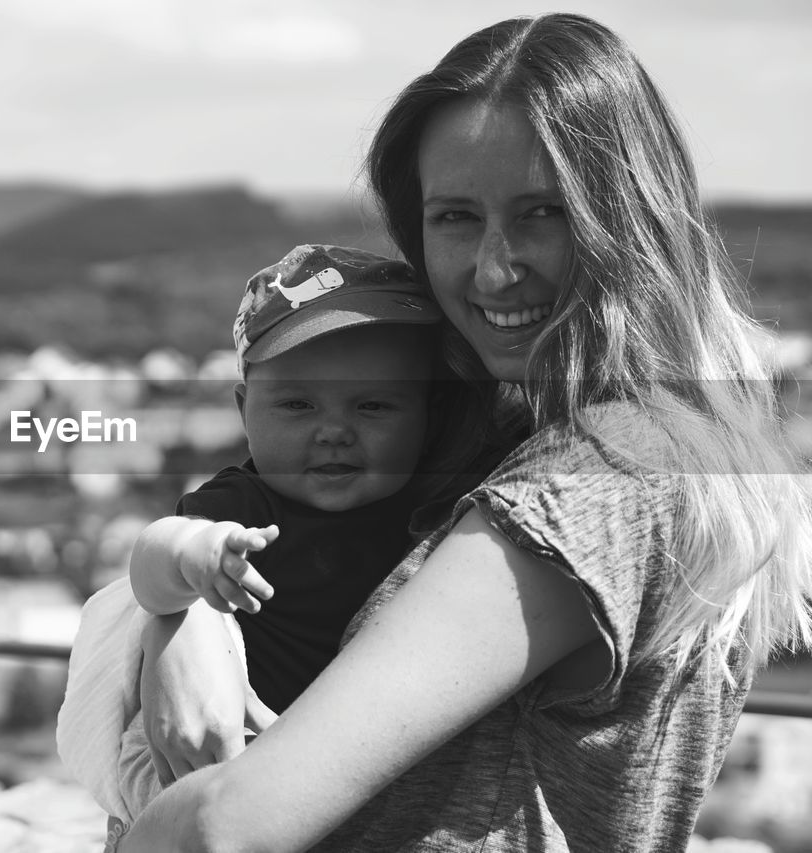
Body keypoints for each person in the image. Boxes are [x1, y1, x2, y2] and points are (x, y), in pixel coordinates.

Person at [114, 13, 812, 852]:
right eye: (453, 217)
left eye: (542, 212)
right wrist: (181, 626)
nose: (491, 267)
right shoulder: (560, 431)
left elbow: (231, 823)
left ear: (632, 219)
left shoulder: (594, 478)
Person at [57, 244, 498, 827]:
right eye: (297, 404)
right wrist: (194, 553)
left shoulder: (441, 505)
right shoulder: (244, 503)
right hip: (229, 760)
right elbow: (150, 560)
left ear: (426, 415)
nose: (335, 431)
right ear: (245, 411)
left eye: (373, 406)